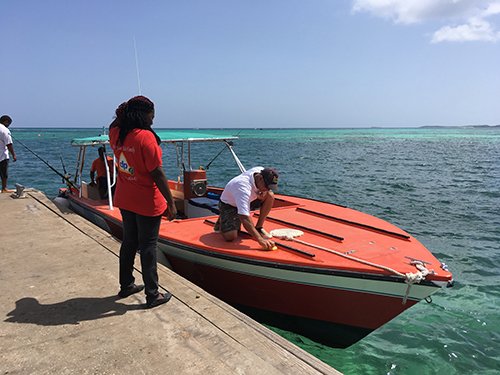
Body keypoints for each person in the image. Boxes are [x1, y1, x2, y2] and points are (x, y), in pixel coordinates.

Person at [108, 95, 177, 309]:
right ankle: (152, 294)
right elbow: (157, 172)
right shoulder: (145, 137)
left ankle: (127, 284)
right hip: (147, 201)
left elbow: (114, 122)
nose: (153, 120)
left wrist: (124, 110)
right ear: (143, 115)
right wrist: (171, 203)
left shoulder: (117, 134)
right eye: (151, 116)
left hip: (125, 198)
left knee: (129, 242)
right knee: (148, 246)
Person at [215, 167, 279, 250]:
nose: (267, 189)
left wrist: (264, 191)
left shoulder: (260, 171)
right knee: (230, 236)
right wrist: (260, 239)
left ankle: (258, 227)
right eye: (266, 186)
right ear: (260, 178)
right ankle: (222, 220)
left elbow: (266, 189)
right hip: (229, 205)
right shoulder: (243, 188)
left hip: (249, 199)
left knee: (270, 195)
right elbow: (244, 217)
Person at [0, 115, 16, 193]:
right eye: (8, 123)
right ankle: (4, 188)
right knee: (4, 173)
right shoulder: (4, 130)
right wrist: (13, 155)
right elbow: (9, 144)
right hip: (2, 155)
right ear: (5, 121)